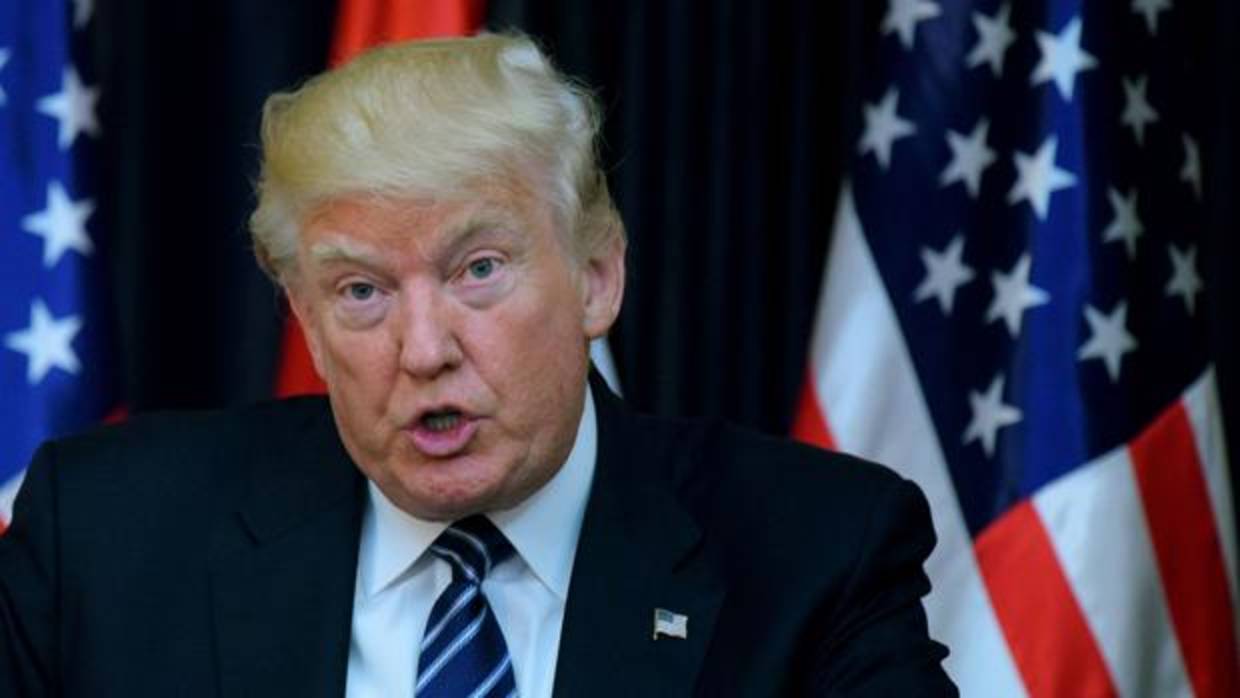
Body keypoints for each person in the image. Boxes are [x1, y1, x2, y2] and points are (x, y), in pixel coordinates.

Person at [0, 32, 956, 696]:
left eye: (479, 271)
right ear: (307, 320)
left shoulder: (815, 555)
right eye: (361, 290)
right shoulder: (104, 538)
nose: (424, 350)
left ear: (597, 277)